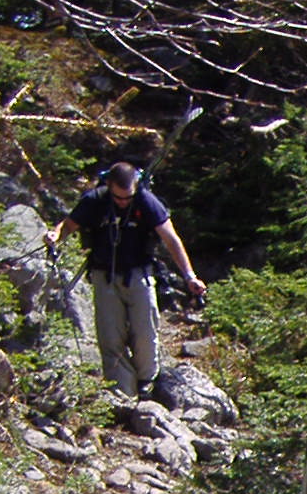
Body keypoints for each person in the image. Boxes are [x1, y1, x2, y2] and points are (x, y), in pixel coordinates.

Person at [45, 162, 204, 399]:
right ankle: (122, 393)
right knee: (110, 336)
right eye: (118, 198)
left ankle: (146, 384)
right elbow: (68, 225)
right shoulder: (95, 200)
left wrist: (189, 276)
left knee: (145, 332)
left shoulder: (146, 202)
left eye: (127, 197)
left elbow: (171, 239)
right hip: (103, 276)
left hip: (139, 274)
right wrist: (55, 236)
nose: (123, 202)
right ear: (109, 185)